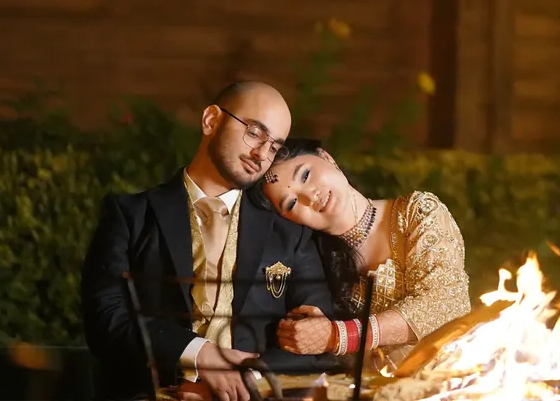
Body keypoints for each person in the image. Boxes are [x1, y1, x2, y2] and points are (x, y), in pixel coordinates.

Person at [81, 82, 338, 400]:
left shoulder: (288, 229)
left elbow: (316, 336)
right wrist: (199, 354)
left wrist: (248, 377)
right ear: (211, 120)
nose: (261, 155)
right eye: (254, 132)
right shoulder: (130, 216)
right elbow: (106, 319)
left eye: (274, 147)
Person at [255, 139, 472, 368]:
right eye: (291, 204)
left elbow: (446, 304)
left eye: (306, 175)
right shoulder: (313, 264)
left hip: (449, 377)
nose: (310, 196)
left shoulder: (416, 212)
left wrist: (338, 336)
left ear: (327, 157)